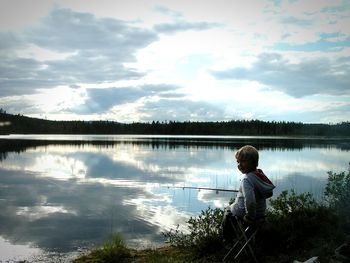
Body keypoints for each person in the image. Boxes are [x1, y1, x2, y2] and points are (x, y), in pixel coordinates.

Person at [222, 145, 275, 245]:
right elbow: (269, 193)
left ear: (253, 162)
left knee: (228, 211)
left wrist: (250, 217)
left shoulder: (246, 179)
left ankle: (228, 240)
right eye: (238, 162)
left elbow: (250, 202)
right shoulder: (260, 175)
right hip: (260, 213)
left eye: (243, 161)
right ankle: (249, 239)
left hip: (247, 214)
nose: (239, 165)